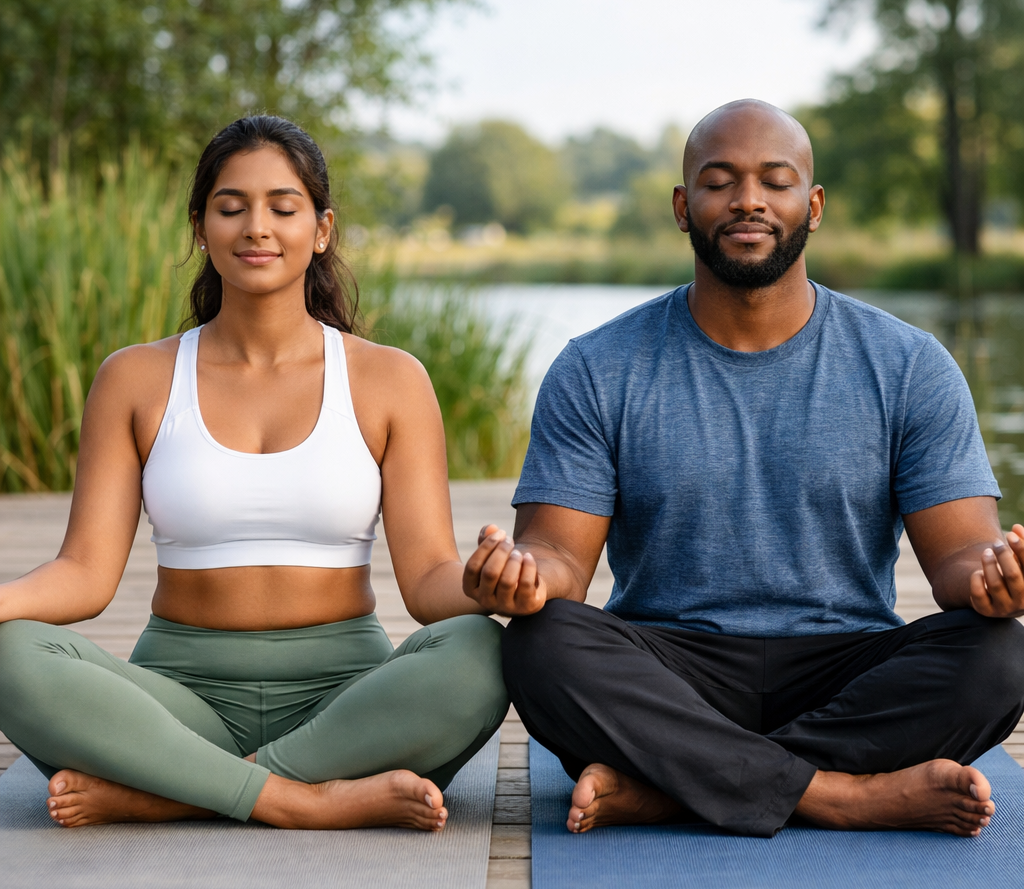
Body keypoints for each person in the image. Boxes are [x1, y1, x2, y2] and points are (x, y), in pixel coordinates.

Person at [463, 99, 1024, 839]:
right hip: (672, 670)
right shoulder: (597, 367)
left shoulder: (909, 365)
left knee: (1000, 652)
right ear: (682, 205)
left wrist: (995, 575)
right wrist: (522, 575)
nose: (748, 200)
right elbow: (560, 558)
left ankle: (672, 787)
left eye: (775, 181)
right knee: (543, 643)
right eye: (720, 180)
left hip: (844, 665)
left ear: (813, 205)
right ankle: (839, 796)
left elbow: (958, 557)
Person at [0, 115, 508, 830]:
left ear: (322, 229)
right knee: (12, 652)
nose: (256, 228)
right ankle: (302, 800)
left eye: (283, 207)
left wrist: (494, 583)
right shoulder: (135, 379)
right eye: (231, 207)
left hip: (347, 701)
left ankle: (169, 793)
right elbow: (83, 573)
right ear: (200, 228)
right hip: (176, 701)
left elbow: (429, 585)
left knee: (481, 647)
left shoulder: (390, 380)